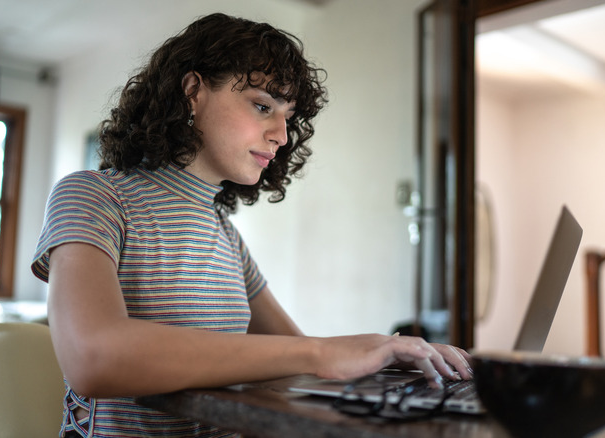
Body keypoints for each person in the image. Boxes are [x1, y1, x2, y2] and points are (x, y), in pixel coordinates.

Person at [31, 12, 472, 438]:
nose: (281, 134)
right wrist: (322, 351)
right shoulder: (93, 196)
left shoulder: (223, 230)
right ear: (192, 92)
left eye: (287, 117)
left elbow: (292, 358)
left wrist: (392, 355)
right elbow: (92, 358)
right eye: (263, 106)